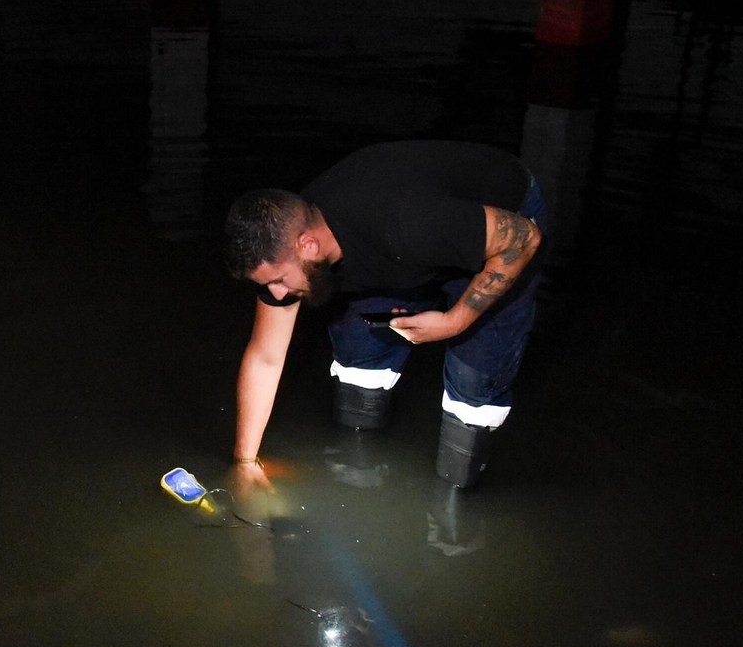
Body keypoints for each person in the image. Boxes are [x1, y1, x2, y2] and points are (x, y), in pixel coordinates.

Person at [222, 140, 546, 491]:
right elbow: (266, 356)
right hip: (408, 244)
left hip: (497, 228)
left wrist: (454, 321)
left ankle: (455, 512)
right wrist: (244, 462)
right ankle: (356, 471)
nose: (277, 295)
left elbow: (524, 239)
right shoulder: (286, 241)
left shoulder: (404, 221)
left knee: (473, 382)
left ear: (308, 245)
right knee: (357, 348)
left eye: (279, 282)